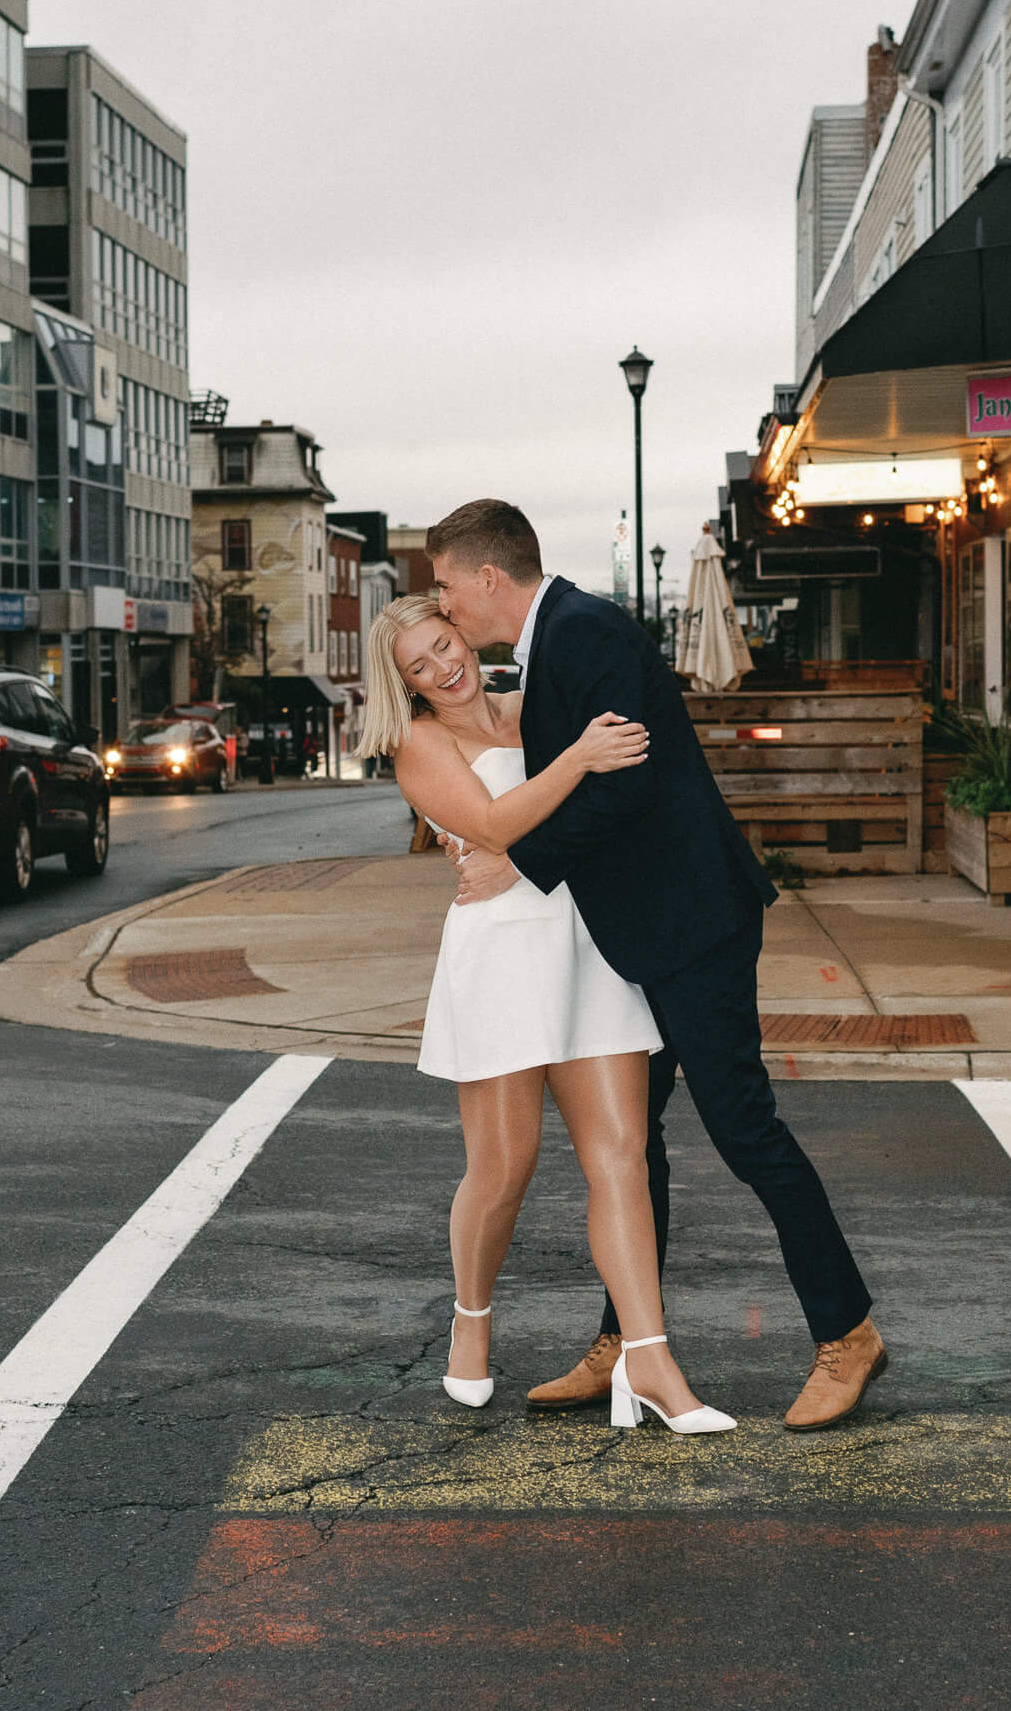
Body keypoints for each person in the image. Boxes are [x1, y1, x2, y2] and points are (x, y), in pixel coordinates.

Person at [428, 498, 885, 1431]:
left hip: (691, 927)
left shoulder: (587, 631)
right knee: (634, 1151)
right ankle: (628, 1347)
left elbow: (627, 786)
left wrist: (518, 857)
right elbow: (495, 760)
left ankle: (848, 1335)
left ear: (487, 577)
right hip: (639, 938)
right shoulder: (553, 643)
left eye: (444, 584)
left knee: (744, 1129)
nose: (441, 605)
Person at [358, 594, 734, 1435]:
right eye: (417, 666)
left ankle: (652, 1361)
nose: (442, 668)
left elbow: (580, 821)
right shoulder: (419, 743)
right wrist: (575, 762)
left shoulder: (536, 707)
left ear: (462, 631)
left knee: (622, 1159)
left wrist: (559, 793)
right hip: (498, 957)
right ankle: (471, 1321)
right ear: (403, 685)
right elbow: (493, 822)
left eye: (442, 644)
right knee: (504, 1169)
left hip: (585, 943)